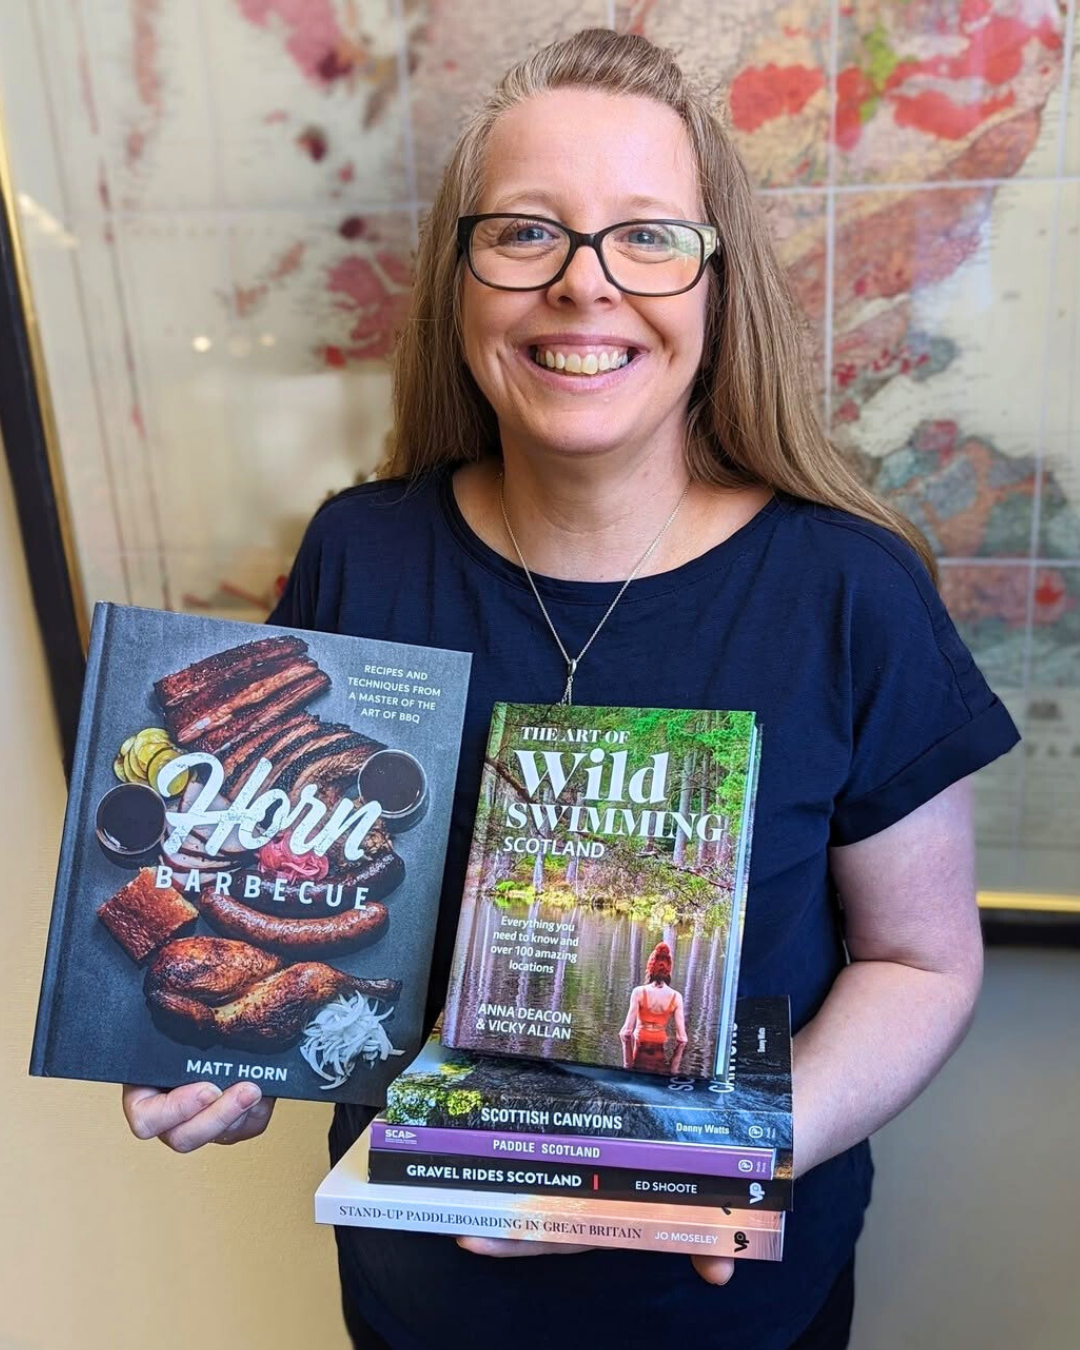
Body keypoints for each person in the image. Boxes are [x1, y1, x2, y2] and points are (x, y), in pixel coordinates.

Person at [121, 28, 1021, 1350]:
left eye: (647, 235)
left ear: (717, 287)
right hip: (422, 1303)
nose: (583, 286)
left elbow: (923, 959)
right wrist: (230, 1057)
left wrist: (739, 1148)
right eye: (527, 234)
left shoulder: (851, 591)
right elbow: (275, 908)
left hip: (737, 1314)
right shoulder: (358, 557)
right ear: (462, 282)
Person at [620, 941, 688, 1071]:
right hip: (659, 1046)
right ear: (668, 969)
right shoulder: (676, 997)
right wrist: (673, 1071)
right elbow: (682, 1038)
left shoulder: (639, 992)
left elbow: (627, 1031)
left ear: (651, 967)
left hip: (641, 1044)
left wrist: (627, 1067)